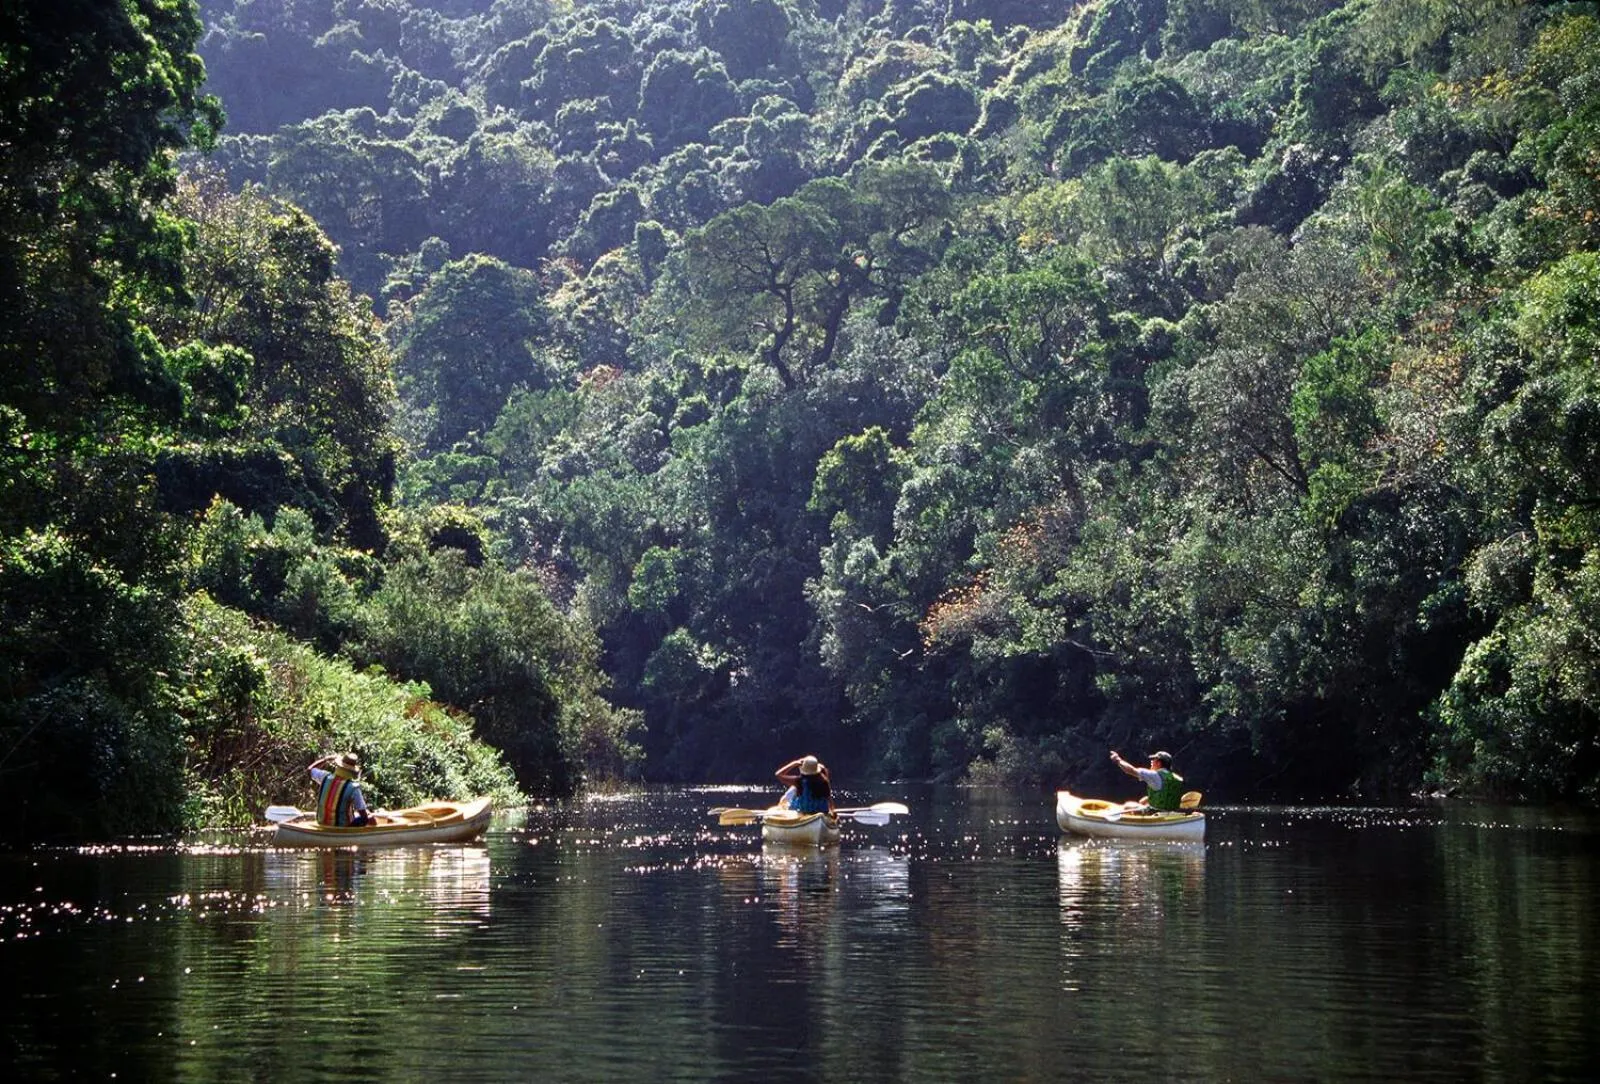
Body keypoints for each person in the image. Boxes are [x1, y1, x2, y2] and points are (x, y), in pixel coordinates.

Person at [308, 752, 373, 827]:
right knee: (368, 818)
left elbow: (310, 769)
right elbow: (363, 815)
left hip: (322, 823)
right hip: (342, 827)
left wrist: (326, 759)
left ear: (339, 766)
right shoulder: (353, 787)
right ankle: (350, 833)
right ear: (352, 771)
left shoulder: (325, 777)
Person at [1109, 749, 1185, 811]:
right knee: (1142, 802)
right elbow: (1167, 794)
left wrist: (1118, 760)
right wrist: (1149, 799)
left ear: (1159, 763)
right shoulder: (1177, 778)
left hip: (1157, 813)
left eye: (1153, 760)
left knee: (1128, 805)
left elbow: (1131, 770)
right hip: (1173, 813)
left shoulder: (1154, 775)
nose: (1151, 762)